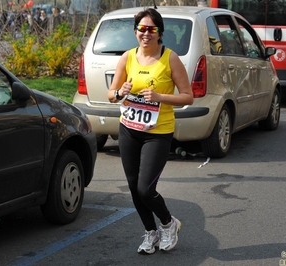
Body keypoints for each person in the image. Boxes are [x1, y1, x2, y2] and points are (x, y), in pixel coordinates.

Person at [107, 8, 193, 254]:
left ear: (159, 32)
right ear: (135, 32)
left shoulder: (170, 58)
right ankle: (150, 232)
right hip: (129, 129)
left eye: (151, 29)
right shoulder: (127, 57)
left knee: (146, 188)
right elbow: (111, 94)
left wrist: (159, 96)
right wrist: (120, 92)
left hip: (158, 132)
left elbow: (189, 97)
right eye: (141, 29)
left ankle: (168, 223)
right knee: (134, 187)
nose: (146, 33)